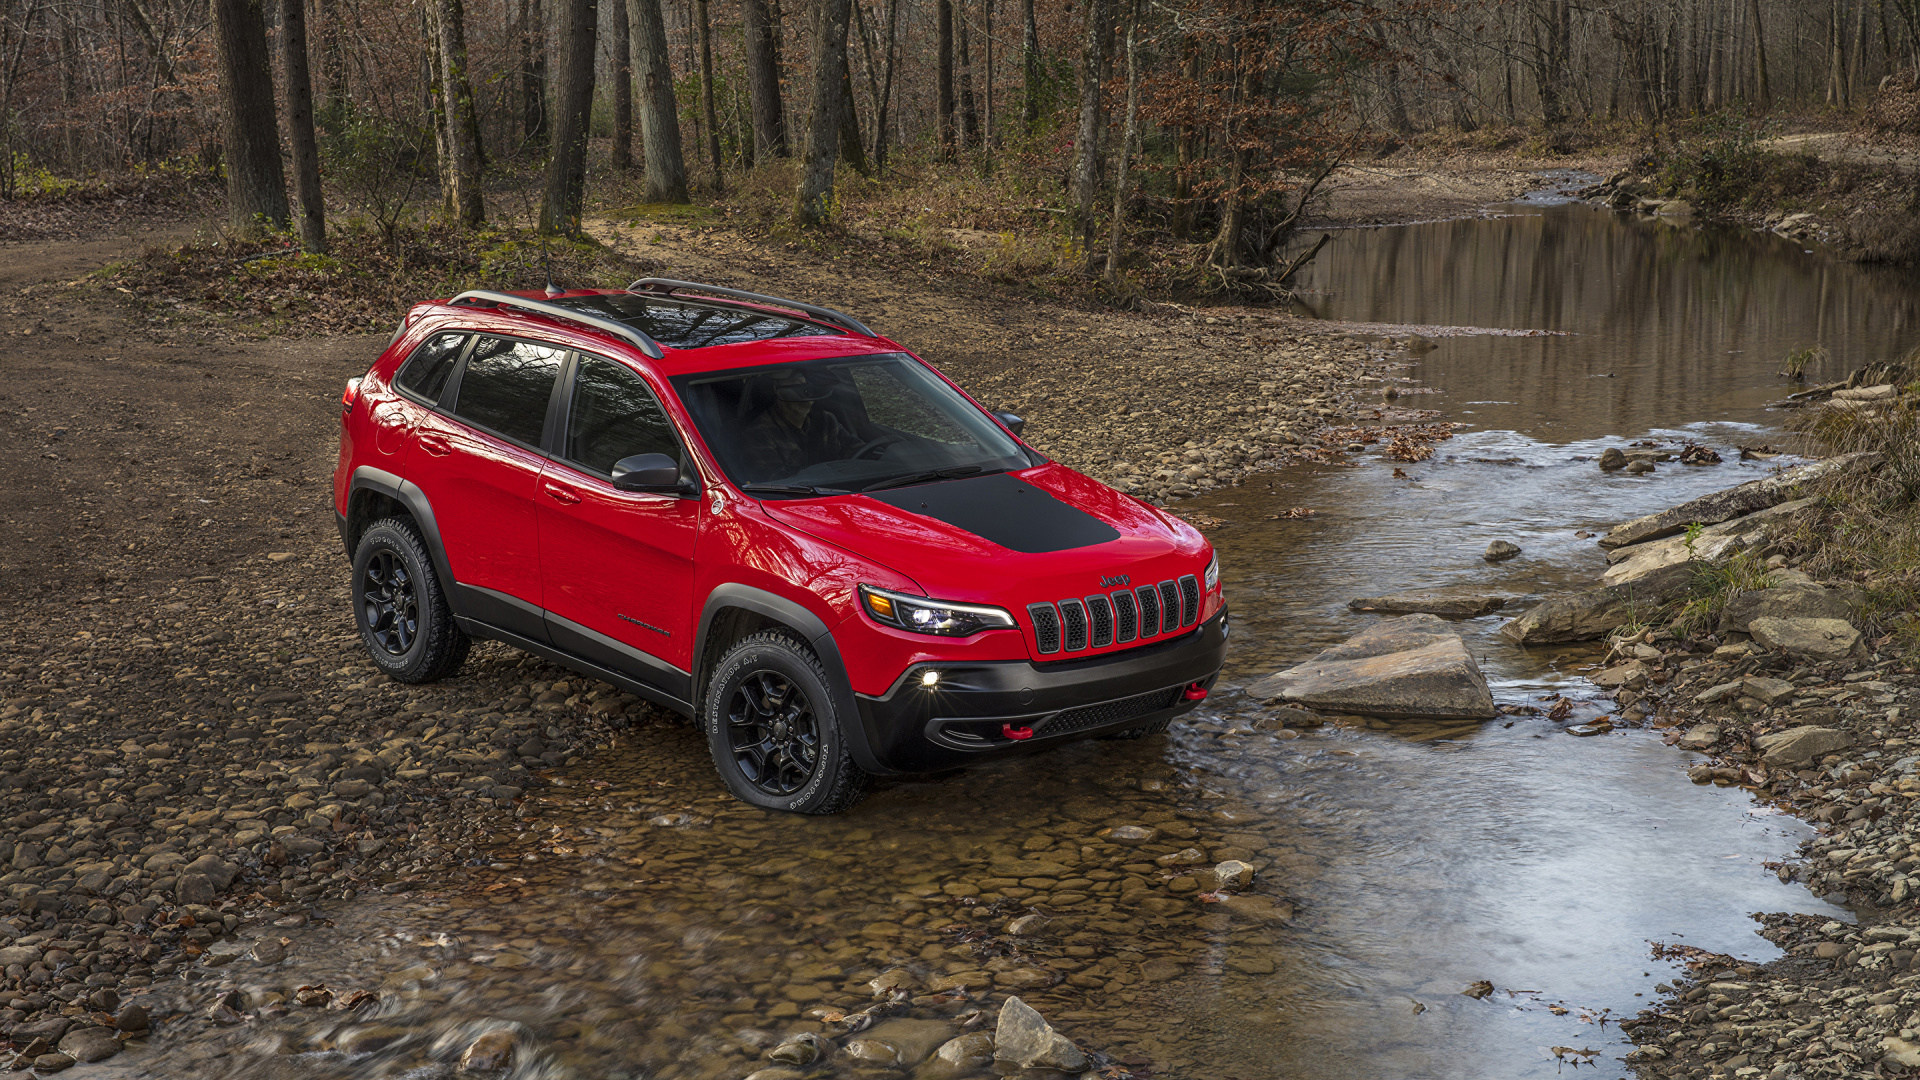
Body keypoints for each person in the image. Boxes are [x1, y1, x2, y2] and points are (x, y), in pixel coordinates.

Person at [736, 369, 864, 479]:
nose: (805, 396)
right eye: (795, 386)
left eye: (809, 388)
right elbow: (777, 484)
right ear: (776, 389)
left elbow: (859, 452)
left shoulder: (827, 421)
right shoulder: (758, 434)